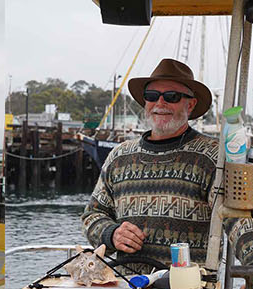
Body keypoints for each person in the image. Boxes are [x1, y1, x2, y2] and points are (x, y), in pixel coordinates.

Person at [82, 58, 223, 262]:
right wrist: (112, 234)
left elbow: (238, 217)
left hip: (188, 288)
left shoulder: (212, 156)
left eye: (171, 96)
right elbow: (92, 215)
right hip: (126, 285)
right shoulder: (119, 156)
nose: (160, 103)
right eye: (152, 96)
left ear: (190, 104)